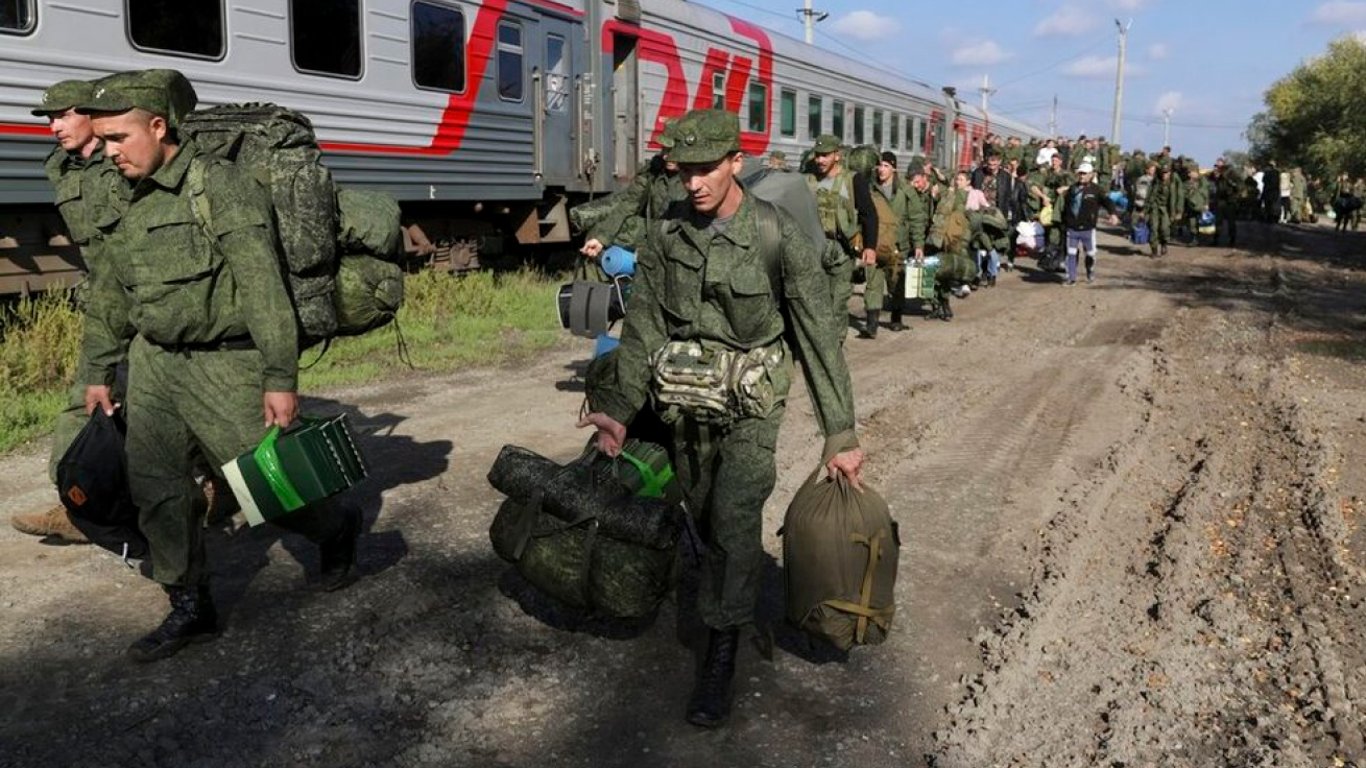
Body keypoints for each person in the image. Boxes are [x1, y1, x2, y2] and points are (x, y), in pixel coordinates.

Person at [577, 108, 864, 729]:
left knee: (734, 515)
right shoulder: (666, 236)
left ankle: (720, 654)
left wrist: (839, 433)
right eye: (685, 172)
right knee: (702, 511)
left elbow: (817, 335)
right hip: (685, 400)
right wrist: (620, 412)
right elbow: (644, 328)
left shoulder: (776, 234)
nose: (696, 183)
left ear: (737, 162)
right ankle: (721, 586)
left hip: (752, 407)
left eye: (708, 169)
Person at [78, 69, 362, 663]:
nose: (109, 153)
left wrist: (280, 377)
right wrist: (99, 369)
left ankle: (335, 525)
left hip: (225, 365)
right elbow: (108, 290)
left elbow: (263, 287)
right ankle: (190, 607)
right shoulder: (120, 193)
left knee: (271, 485)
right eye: (102, 140)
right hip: (152, 364)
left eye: (118, 138)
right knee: (158, 491)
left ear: (158, 127)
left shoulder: (219, 184)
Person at [9, 79, 130, 544]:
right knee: (85, 400)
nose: (54, 127)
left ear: (93, 116)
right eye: (49, 118)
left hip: (148, 300)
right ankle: (76, 506)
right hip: (108, 300)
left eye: (63, 115)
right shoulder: (64, 166)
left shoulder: (123, 163)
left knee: (170, 410)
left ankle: (215, 487)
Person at [578, 122, 685, 259]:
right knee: (597, 238)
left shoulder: (699, 178)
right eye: (664, 149)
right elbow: (629, 204)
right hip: (654, 232)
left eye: (671, 151)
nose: (665, 156)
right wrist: (601, 238)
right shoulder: (654, 171)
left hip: (681, 240)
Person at [805, 134, 864, 341]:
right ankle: (820, 343)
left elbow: (868, 213)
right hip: (814, 249)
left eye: (825, 156)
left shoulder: (852, 180)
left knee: (837, 302)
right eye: (818, 155)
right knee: (815, 302)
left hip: (842, 251)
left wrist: (870, 247)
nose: (820, 160)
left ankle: (835, 346)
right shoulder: (808, 179)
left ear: (837, 156)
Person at [857, 151, 913, 338]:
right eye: (880, 165)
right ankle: (871, 325)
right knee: (873, 283)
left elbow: (917, 217)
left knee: (895, 282)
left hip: (897, 245)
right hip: (875, 242)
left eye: (886, 166)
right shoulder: (870, 189)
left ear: (894, 168)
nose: (881, 169)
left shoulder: (904, 191)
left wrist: (918, 245)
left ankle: (896, 318)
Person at [1059, 162, 1119, 285]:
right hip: (1072, 228)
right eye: (1080, 173)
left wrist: (1113, 214)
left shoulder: (1096, 190)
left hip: (1088, 229)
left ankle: (1090, 270)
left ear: (1091, 175)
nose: (1081, 176)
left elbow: (1107, 202)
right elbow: (1066, 206)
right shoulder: (1072, 188)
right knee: (1071, 253)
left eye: (1084, 173)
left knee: (1090, 254)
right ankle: (1071, 278)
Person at [1182, 165, 1210, 246]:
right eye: (1190, 173)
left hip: (1202, 206)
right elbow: (1183, 194)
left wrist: (1206, 204)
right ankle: (1194, 239)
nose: (1190, 174)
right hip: (1191, 207)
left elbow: (1206, 194)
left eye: (1192, 172)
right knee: (1192, 224)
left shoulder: (1202, 181)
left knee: (1204, 223)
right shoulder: (1186, 184)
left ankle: (1205, 239)